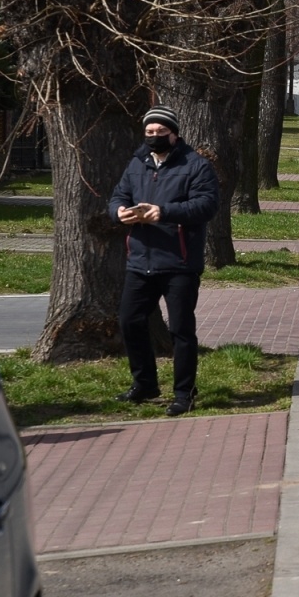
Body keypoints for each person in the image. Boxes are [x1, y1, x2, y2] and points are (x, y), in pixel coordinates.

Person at [109, 106, 220, 415]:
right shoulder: (137, 164)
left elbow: (207, 205)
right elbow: (119, 195)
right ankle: (145, 384)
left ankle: (184, 392)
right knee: (130, 321)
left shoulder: (196, 165)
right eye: (149, 133)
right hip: (141, 259)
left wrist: (164, 212)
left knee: (181, 330)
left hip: (179, 262)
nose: (154, 138)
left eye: (160, 133)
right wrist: (119, 212)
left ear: (175, 134)